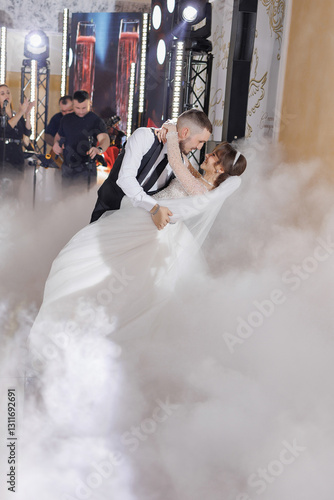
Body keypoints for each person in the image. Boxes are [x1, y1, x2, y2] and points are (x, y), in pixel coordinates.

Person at [28, 124, 246, 497]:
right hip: (145, 220)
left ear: (221, 170)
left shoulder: (199, 185)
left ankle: (109, 350)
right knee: (103, 270)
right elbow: (177, 166)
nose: (208, 153)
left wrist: (172, 130)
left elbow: (177, 163)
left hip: (156, 229)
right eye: (210, 149)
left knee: (132, 289)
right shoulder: (198, 175)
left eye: (214, 155)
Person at [90, 108, 212, 225]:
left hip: (136, 224)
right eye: (200, 141)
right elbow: (125, 179)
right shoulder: (145, 136)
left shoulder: (181, 162)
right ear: (185, 132)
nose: (199, 147)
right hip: (108, 209)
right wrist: (154, 208)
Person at [52, 90, 110, 187]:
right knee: (65, 199)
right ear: (73, 105)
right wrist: (56, 144)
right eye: (77, 108)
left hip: (86, 168)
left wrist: (98, 149)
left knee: (84, 199)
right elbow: (58, 136)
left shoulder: (95, 120)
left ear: (89, 103)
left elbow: (105, 139)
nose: (81, 111)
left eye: (84, 107)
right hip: (67, 167)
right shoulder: (66, 119)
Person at [0, 84, 34, 173]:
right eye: (2, 94)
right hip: (3, 154)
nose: (6, 95)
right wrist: (21, 112)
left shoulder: (16, 114)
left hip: (17, 155)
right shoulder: (5, 115)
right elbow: (6, 128)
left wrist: (27, 114)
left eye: (8, 93)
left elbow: (27, 132)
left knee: (17, 183)